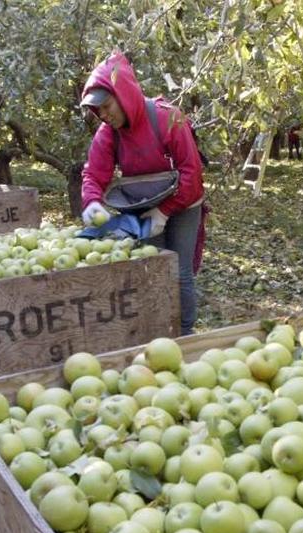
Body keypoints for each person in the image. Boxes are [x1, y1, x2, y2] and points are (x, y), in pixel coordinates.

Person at [79, 52, 205, 335]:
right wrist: (92, 201)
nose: (104, 114)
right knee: (154, 264)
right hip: (145, 203)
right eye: (97, 110)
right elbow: (93, 173)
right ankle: (159, 329)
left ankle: (185, 332)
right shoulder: (108, 133)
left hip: (184, 200)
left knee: (179, 268)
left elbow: (191, 174)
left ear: (123, 94)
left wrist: (165, 211)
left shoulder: (168, 118)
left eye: (107, 106)